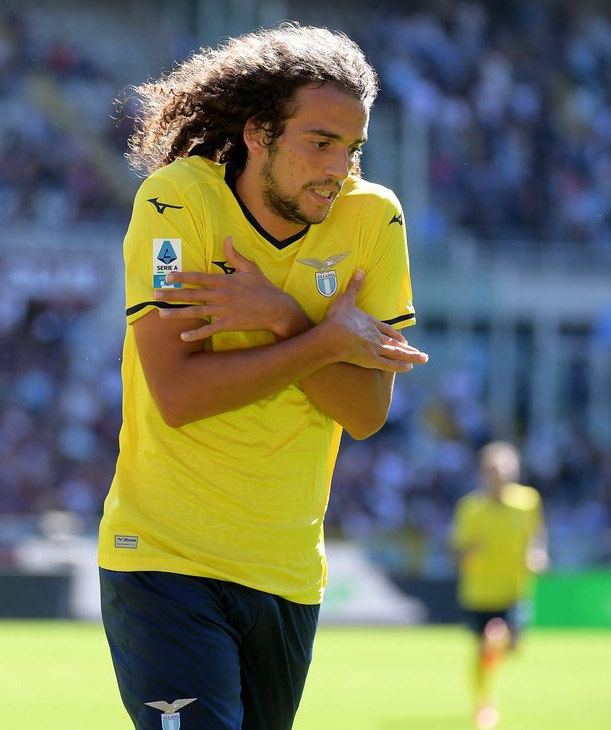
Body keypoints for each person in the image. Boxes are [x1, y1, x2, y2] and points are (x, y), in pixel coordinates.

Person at [97, 23, 429, 730]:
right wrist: (326, 340)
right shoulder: (177, 200)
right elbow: (180, 395)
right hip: (163, 559)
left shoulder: (375, 219)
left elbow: (367, 413)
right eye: (320, 142)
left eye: (353, 148)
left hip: (287, 575)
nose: (339, 168)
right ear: (258, 133)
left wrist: (285, 320)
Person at [451, 441, 548, 730]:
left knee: (510, 646)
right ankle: (483, 703)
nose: (499, 477)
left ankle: (485, 696)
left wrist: (536, 554)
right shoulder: (470, 508)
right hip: (480, 592)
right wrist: (470, 553)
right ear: (483, 473)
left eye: (504, 471)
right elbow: (457, 553)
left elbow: (537, 535)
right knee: (487, 644)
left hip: (515, 589)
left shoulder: (528, 502)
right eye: (492, 471)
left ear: (514, 472)